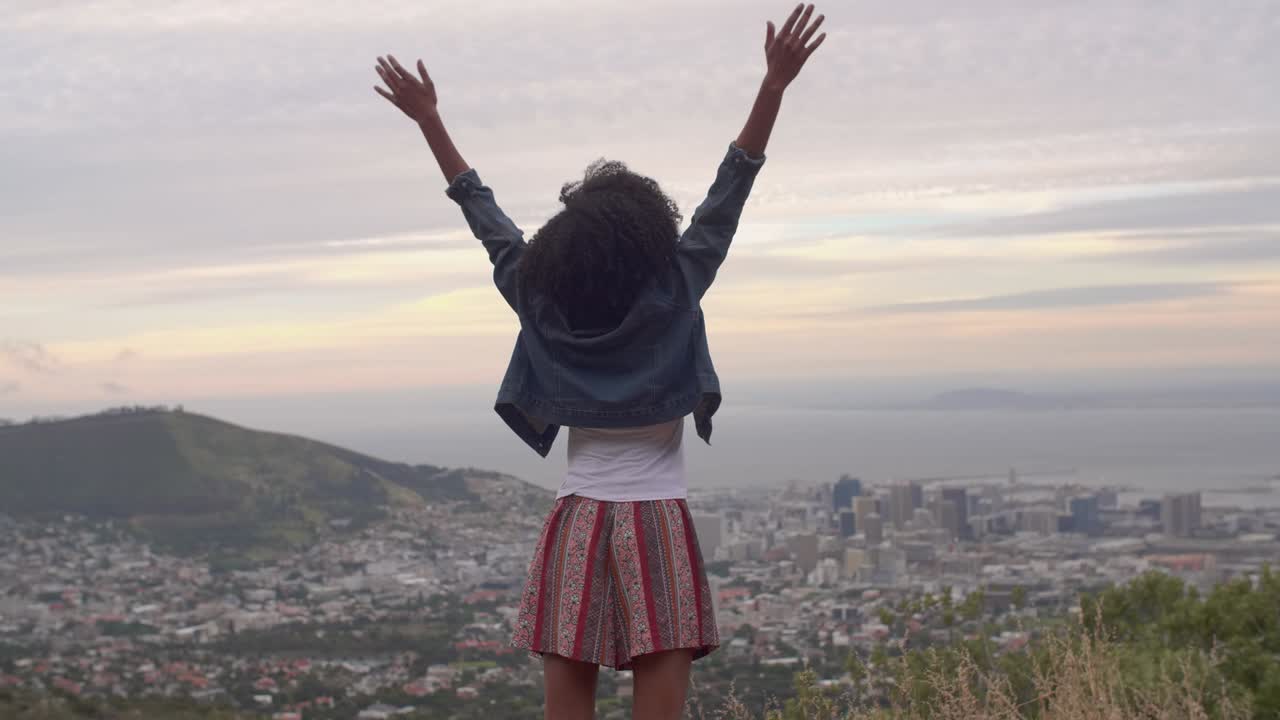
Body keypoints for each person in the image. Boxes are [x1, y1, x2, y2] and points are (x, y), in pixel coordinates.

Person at [374, 4, 827, 717]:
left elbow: (486, 222)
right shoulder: (677, 288)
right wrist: (772, 87)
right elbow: (726, 198)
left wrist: (431, 120)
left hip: (578, 519)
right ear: (647, 234)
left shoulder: (539, 299)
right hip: (656, 523)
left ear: (568, 243)